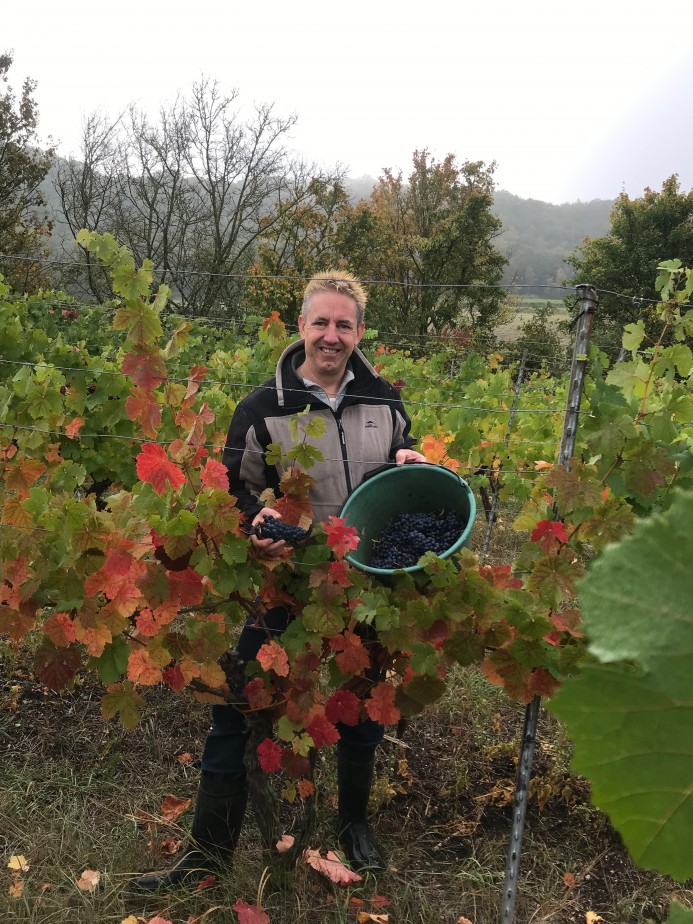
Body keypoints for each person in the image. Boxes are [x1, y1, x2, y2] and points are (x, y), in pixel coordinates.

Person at [133, 271, 426, 891]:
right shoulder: (262, 407)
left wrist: (410, 458)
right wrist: (251, 519)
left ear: (359, 331)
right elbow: (232, 486)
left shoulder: (385, 398)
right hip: (287, 578)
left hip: (365, 580)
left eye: (344, 324)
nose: (331, 335)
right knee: (242, 705)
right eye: (321, 322)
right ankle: (206, 857)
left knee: (360, 703)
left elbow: (407, 453)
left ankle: (352, 825)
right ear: (301, 328)